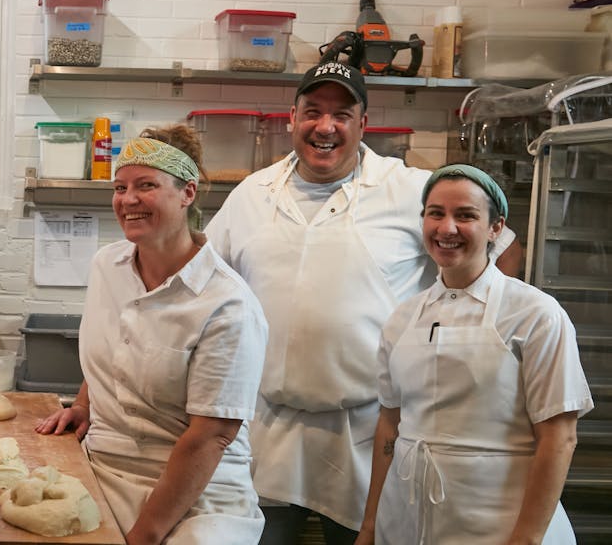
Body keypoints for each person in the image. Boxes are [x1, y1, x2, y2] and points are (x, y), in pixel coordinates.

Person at [204, 61, 522, 544]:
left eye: (342, 114)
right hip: (269, 428)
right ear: (293, 118)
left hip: (370, 432)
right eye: (313, 111)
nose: (325, 126)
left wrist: (464, 333)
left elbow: (504, 248)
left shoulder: (409, 189)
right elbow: (203, 286)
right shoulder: (252, 193)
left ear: (363, 124)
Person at [36, 134, 268, 544]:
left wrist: (144, 535)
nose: (128, 199)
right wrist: (85, 404)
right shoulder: (107, 265)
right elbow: (115, 344)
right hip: (104, 468)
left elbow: (210, 437)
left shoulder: (227, 304)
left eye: (146, 185)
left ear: (187, 193)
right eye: (120, 187)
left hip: (197, 491)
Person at [356, 164, 592, 544]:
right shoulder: (402, 318)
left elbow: (559, 437)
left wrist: (526, 539)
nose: (447, 228)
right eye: (436, 213)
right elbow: (389, 424)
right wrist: (369, 527)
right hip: (407, 523)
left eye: (465, 215)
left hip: (502, 526)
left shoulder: (535, 314)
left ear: (496, 228)